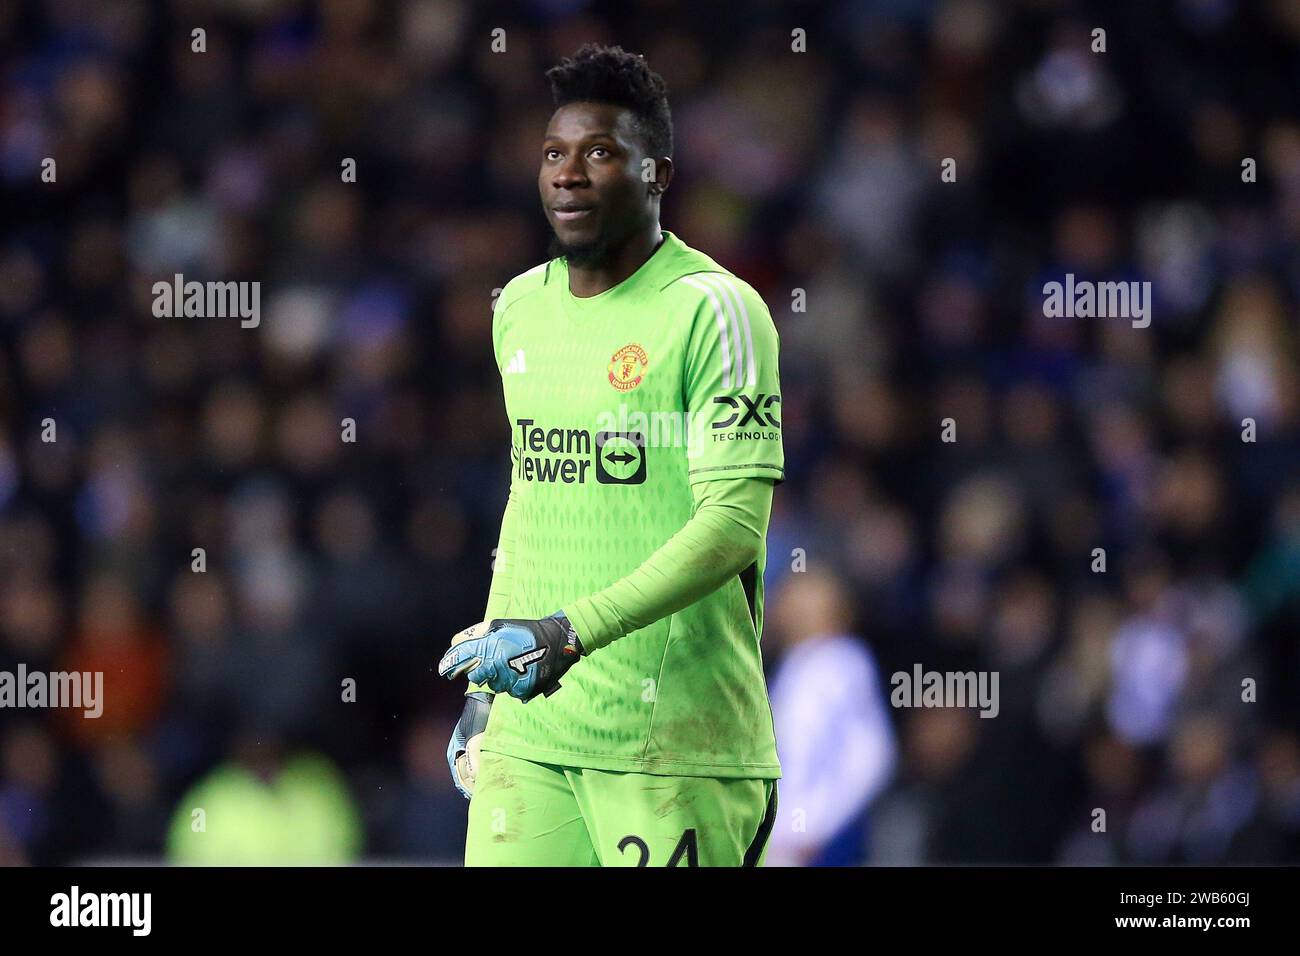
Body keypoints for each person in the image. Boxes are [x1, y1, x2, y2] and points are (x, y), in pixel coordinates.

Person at [437, 43, 785, 866]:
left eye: (599, 153)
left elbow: (734, 526)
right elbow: (532, 502)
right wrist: (488, 699)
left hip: (674, 743)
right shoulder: (519, 308)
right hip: (534, 736)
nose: (569, 174)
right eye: (555, 153)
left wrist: (567, 632)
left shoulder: (715, 311)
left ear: (656, 173)